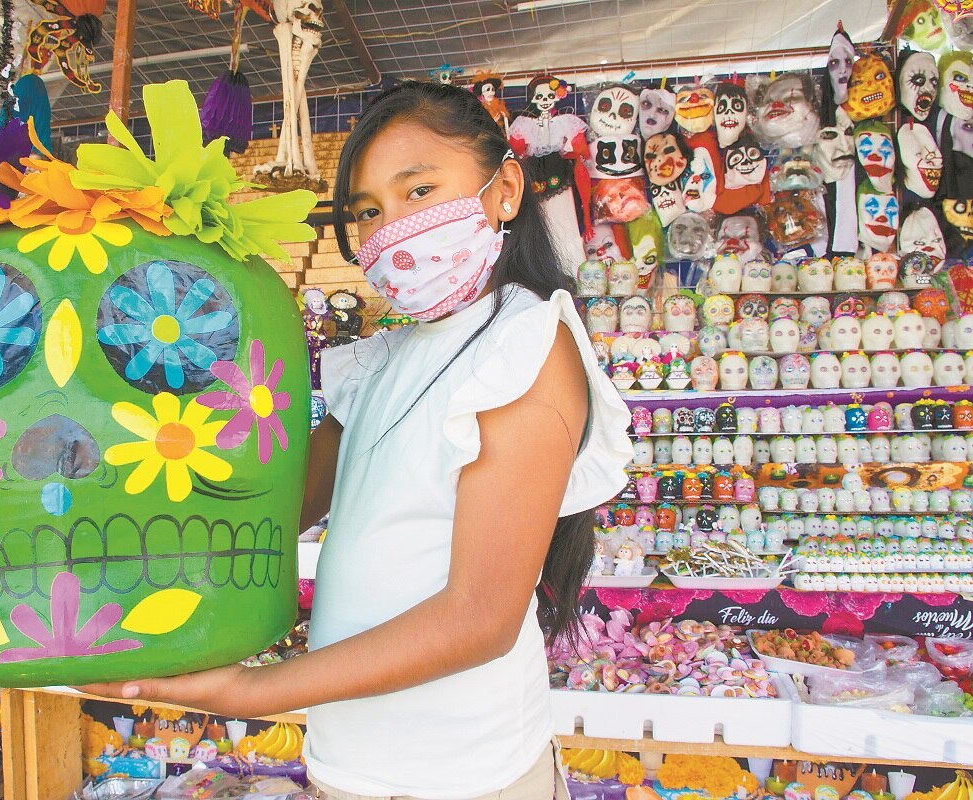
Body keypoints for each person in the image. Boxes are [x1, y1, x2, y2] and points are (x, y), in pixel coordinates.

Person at [80, 81, 632, 800]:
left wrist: (249, 692)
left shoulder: (524, 343)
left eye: (419, 191)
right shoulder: (383, 360)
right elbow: (266, 511)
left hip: (466, 777)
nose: (389, 229)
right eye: (368, 211)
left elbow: (478, 620)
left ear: (504, 191)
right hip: (348, 765)